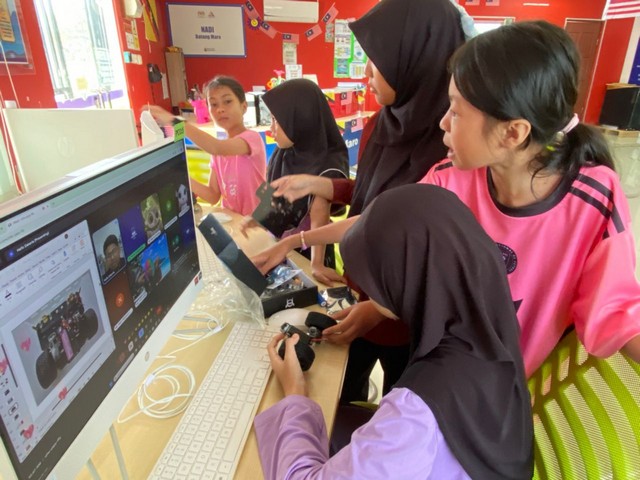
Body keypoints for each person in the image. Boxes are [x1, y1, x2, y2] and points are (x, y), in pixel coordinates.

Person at [252, 20, 640, 377]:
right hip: (443, 380)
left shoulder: (594, 198)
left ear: (512, 132)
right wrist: (298, 243)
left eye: (455, 111)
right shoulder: (450, 178)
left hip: (510, 397)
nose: (443, 122)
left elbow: (617, 313)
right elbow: (376, 219)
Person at [256, 0, 468, 404]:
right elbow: (371, 194)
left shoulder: (450, 148)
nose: (367, 72)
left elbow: (397, 224)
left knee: (395, 404)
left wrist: (379, 308)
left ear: (413, 61)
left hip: (403, 316)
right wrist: (321, 185)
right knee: (339, 391)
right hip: (360, 294)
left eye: (378, 61)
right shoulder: (381, 123)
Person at [255, 185, 534, 480]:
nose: (366, 292)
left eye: (373, 283)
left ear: (407, 285)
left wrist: (295, 393)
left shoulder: (415, 412)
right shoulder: (490, 322)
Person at [244, 78, 349, 271]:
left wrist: (317, 264)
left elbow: (319, 218)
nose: (271, 129)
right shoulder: (283, 153)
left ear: (301, 119)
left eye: (276, 121)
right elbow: (276, 195)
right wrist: (256, 219)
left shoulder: (325, 164)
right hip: (282, 244)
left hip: (309, 250)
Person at [147, 76, 266, 216]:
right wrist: (181, 175)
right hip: (233, 222)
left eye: (227, 101)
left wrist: (174, 121)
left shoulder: (251, 139)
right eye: (214, 104)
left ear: (244, 107)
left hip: (257, 223)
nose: (220, 109)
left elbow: (215, 147)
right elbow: (213, 196)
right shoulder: (217, 153)